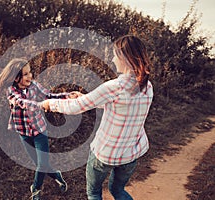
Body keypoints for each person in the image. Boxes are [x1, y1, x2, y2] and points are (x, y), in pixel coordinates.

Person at [41, 35, 153, 200]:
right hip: (131, 153)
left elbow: (75, 107)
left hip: (106, 153)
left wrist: (50, 104)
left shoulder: (114, 87)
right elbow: (119, 105)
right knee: (118, 190)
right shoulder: (147, 86)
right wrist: (84, 96)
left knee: (94, 193)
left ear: (124, 58)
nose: (113, 59)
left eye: (115, 55)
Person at [0, 58, 79, 200]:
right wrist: (41, 105)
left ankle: (36, 190)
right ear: (16, 77)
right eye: (25, 74)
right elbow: (22, 102)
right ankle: (57, 175)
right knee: (39, 164)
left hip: (39, 131)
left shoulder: (34, 86)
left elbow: (49, 96)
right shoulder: (11, 91)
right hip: (24, 133)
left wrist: (67, 96)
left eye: (30, 72)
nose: (30, 76)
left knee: (42, 163)